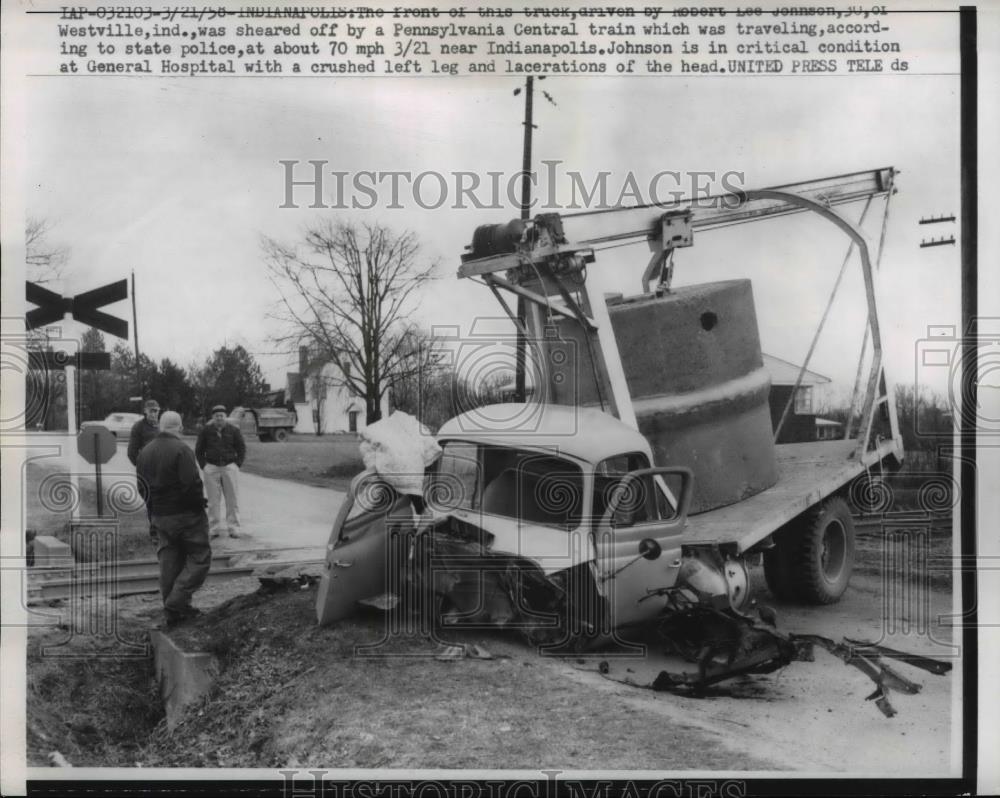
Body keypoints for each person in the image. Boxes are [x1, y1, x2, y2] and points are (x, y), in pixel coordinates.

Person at [136, 411, 211, 628]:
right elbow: (192, 485)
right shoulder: (182, 450)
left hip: (160, 515)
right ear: (179, 427)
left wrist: (153, 512)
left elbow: (142, 488)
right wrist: (199, 508)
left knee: (169, 561)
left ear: (160, 426)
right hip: (186, 516)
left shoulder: (145, 452)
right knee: (200, 557)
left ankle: (175, 613)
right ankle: (176, 603)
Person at [195, 404, 246, 539]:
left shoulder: (233, 430)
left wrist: (237, 464)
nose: (219, 418)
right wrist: (204, 466)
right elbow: (199, 450)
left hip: (229, 467)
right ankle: (214, 528)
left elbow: (241, 448)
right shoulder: (206, 431)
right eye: (216, 416)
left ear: (225, 416)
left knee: (232, 499)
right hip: (211, 468)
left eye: (221, 415)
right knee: (213, 500)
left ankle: (233, 528)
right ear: (213, 417)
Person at [127, 399, 160, 466]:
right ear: (145, 411)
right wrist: (140, 466)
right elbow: (132, 452)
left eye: (155, 411)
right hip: (146, 467)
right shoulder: (138, 426)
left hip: (161, 468)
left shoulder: (162, 425)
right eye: (151, 411)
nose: (153, 414)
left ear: (159, 411)